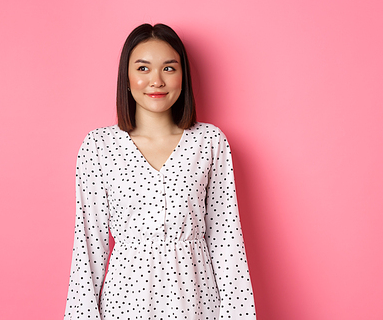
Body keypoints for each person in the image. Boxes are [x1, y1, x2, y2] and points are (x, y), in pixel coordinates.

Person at [64, 23, 256, 320]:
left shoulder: (209, 142)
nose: (156, 80)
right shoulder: (99, 146)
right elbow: (89, 246)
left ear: (183, 77)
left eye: (169, 68)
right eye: (143, 69)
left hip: (195, 302)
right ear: (126, 78)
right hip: (126, 304)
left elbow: (226, 239)